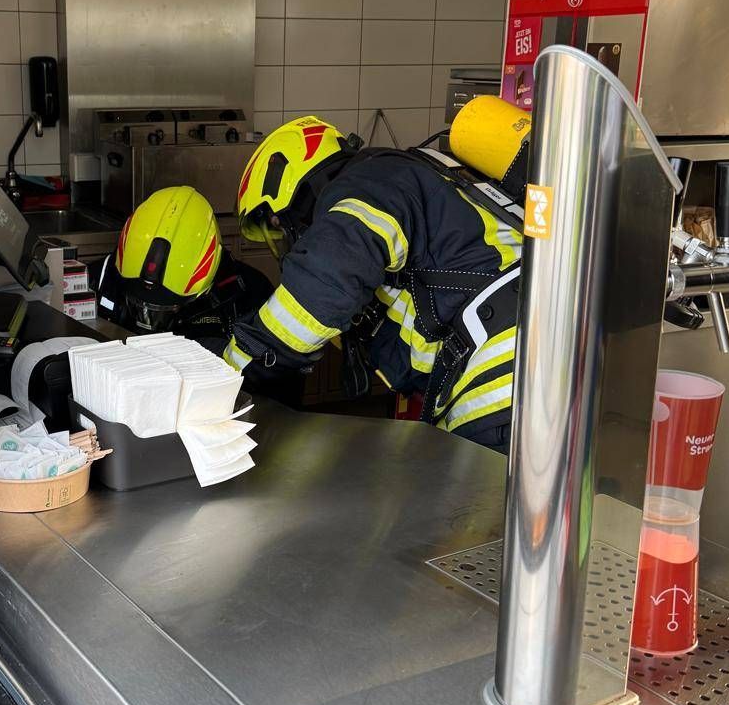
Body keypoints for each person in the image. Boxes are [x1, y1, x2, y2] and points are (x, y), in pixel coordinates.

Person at [225, 101, 530, 450]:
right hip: (528, 367)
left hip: (503, 380)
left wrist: (233, 370)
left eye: (278, 227)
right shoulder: (409, 177)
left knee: (484, 504)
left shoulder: (366, 182)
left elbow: (323, 280)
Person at [97, 185, 273, 346]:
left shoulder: (250, 295)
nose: (147, 320)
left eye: (164, 311)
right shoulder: (104, 275)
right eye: (139, 305)